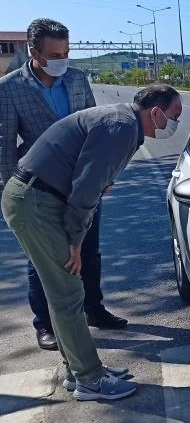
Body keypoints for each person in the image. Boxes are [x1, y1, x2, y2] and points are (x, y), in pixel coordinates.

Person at [1, 84, 183, 400]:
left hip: (39, 197)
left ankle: (77, 371)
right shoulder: (121, 127)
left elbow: (91, 177)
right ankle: (89, 380)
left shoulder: (123, 122)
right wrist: (75, 239)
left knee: (67, 292)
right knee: (67, 294)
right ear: (155, 112)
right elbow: (86, 188)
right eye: (175, 116)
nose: (176, 124)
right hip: (36, 202)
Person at [0, 18, 126, 353]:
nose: (62, 59)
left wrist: (104, 173)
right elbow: (6, 147)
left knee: (89, 250)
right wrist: (16, 193)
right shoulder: (10, 88)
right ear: (33, 51)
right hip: (40, 190)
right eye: (55, 54)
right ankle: (44, 325)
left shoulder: (77, 79)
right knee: (42, 261)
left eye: (67, 52)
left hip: (83, 182)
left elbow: (96, 129)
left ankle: (94, 309)